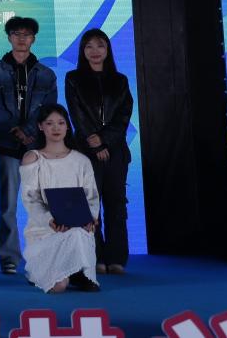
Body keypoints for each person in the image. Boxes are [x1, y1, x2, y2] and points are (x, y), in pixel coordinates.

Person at [0, 16, 57, 275]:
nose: (21, 38)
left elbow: (49, 110)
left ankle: (45, 252)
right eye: (16, 33)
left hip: (37, 146)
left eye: (27, 34)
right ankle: (9, 257)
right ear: (9, 37)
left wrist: (29, 131)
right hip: (6, 144)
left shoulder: (46, 74)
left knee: (43, 202)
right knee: (8, 204)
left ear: (34, 38)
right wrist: (17, 130)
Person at [64, 29, 133, 275]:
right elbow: (77, 115)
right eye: (89, 46)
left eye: (100, 46)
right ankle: (95, 256)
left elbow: (124, 116)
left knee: (116, 204)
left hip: (115, 151)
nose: (95, 51)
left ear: (108, 50)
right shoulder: (73, 78)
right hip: (85, 151)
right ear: (82, 51)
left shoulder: (120, 80)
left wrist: (104, 140)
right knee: (90, 204)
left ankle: (117, 257)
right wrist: (94, 143)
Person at [21, 103, 101, 293]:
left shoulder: (81, 160)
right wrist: (49, 220)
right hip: (45, 230)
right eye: (49, 123)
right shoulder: (33, 158)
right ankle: (39, 270)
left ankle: (80, 271)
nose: (56, 128)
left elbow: (92, 197)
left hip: (78, 230)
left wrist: (91, 217)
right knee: (57, 287)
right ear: (41, 126)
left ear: (67, 126)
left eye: (61, 123)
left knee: (77, 233)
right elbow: (31, 199)